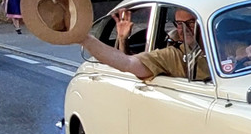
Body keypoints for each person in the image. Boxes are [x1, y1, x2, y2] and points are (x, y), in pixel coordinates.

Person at [80, 8, 210, 81]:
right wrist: (83, 38)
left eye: (191, 23)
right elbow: (127, 63)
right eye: (179, 24)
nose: (184, 29)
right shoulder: (172, 55)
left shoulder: (224, 47)